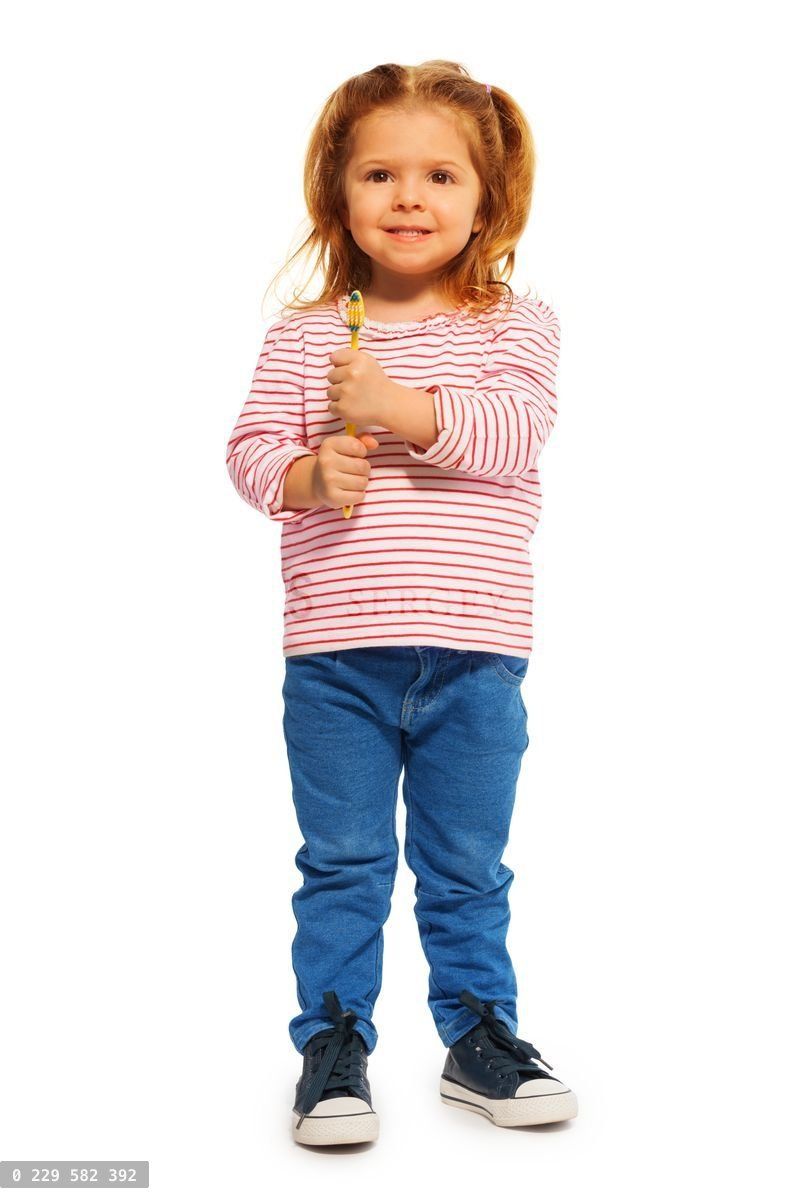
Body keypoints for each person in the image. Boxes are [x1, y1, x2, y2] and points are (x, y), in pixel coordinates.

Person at [225, 59, 577, 1146]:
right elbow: (247, 454)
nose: (409, 198)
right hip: (336, 660)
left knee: (466, 864)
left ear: (485, 200)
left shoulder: (513, 325)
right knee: (341, 863)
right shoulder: (304, 333)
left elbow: (514, 433)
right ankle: (333, 1045)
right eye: (380, 173)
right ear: (339, 193)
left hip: (476, 661)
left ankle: (478, 1035)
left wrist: (400, 408)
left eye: (439, 176)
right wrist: (303, 477)